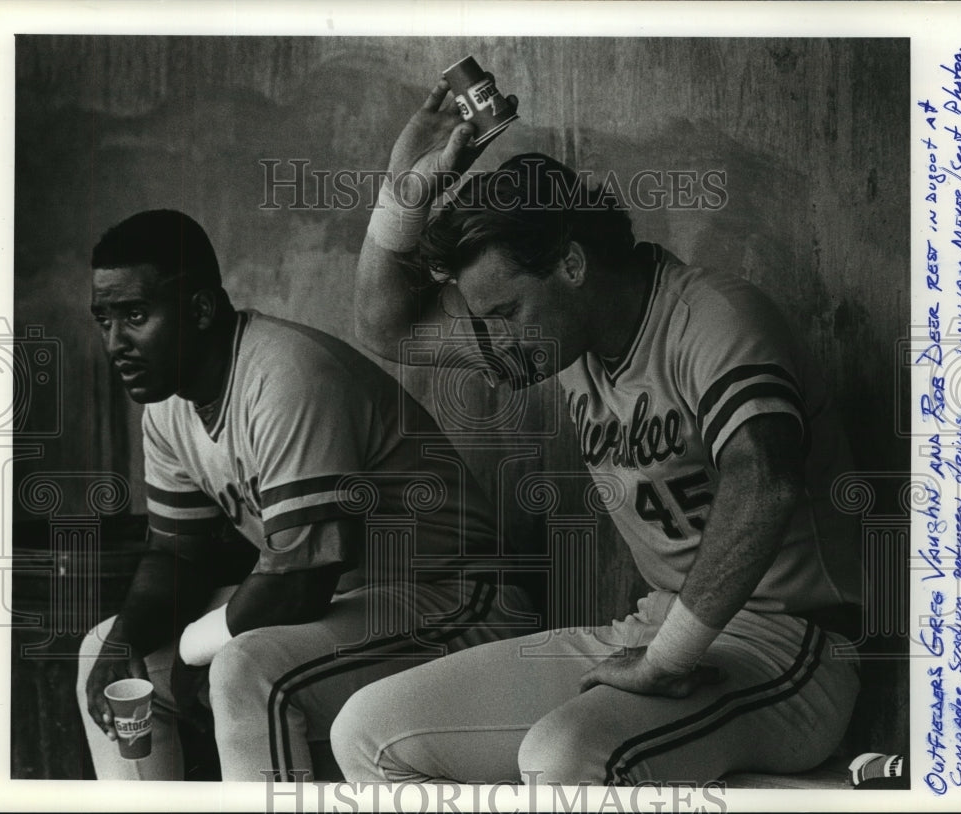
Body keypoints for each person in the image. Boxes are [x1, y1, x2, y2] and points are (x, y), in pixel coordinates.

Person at [330, 79, 864, 785]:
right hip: (654, 625)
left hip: (791, 648)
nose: (492, 337)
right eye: (483, 316)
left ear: (572, 265)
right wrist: (404, 197)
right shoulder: (555, 338)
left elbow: (764, 482)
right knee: (368, 731)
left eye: (504, 312)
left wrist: (667, 660)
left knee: (560, 755)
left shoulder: (713, 317)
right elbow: (385, 325)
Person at [76, 209, 537, 782]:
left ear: (199, 309)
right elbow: (177, 556)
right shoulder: (166, 408)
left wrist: (196, 650)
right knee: (107, 652)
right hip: (352, 610)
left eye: (136, 316)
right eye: (104, 320)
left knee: (245, 666)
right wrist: (124, 639)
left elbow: (301, 580)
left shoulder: (285, 373)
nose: (115, 342)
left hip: (461, 602)